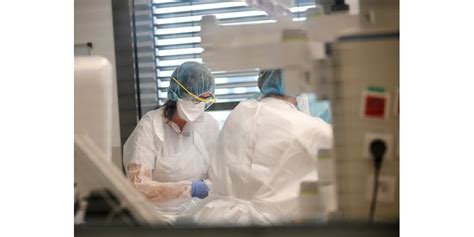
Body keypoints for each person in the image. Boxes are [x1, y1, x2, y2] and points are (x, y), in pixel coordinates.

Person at [186, 69, 333, 225]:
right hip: (266, 226)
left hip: (215, 220)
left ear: (261, 81)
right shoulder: (308, 127)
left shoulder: (240, 111)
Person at [123, 61, 220, 223]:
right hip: (158, 218)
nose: (199, 107)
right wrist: (190, 189)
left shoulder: (208, 125)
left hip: (198, 215)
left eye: (204, 101)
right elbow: (138, 186)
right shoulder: (149, 127)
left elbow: (217, 173)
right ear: (177, 93)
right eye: (195, 100)